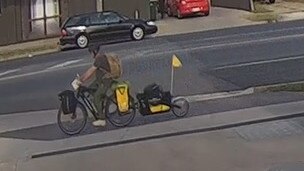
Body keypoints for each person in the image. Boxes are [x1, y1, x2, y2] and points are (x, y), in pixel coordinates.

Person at [73, 44, 114, 127]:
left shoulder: (99, 59)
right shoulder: (99, 58)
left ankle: (102, 120)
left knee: (96, 98)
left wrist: (81, 80)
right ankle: (101, 104)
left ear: (95, 52)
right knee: (90, 89)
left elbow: (90, 72)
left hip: (105, 81)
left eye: (91, 52)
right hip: (99, 80)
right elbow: (90, 73)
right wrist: (82, 78)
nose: (91, 55)